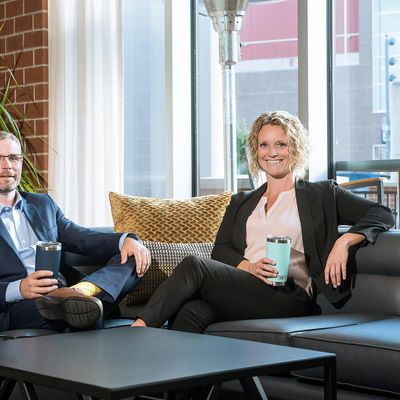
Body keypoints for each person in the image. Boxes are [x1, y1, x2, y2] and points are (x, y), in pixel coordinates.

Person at [132, 111, 394, 333]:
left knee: (194, 265)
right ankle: (170, 379)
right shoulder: (242, 201)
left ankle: (138, 331)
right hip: (246, 288)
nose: (272, 153)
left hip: (289, 295)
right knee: (192, 311)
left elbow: (382, 213)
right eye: (264, 145)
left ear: (295, 148)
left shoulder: (322, 194)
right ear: (256, 152)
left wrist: (344, 241)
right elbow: (220, 250)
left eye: (281, 144)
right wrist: (249, 266)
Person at [0, 131, 151, 332]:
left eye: (13, 158)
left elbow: (81, 236)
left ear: (21, 162)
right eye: (0, 158)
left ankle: (80, 293)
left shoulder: (42, 203)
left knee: (133, 256)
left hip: (63, 290)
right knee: (76, 313)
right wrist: (19, 288)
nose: (7, 165)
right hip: (20, 305)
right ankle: (83, 303)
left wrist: (126, 240)